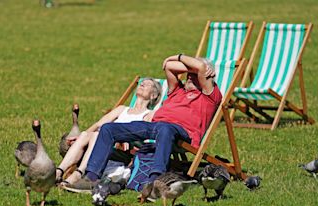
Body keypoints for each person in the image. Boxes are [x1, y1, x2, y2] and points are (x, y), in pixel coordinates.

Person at [66, 54, 222, 192]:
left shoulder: (209, 96)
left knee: (165, 128)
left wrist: (191, 63)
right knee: (108, 129)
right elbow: (169, 66)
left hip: (181, 133)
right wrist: (174, 58)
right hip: (154, 127)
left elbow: (200, 67)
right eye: (188, 73)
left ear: (205, 77)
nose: (189, 76)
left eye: (193, 75)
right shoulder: (177, 91)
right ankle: (91, 178)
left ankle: (155, 181)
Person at [56, 78, 162, 188]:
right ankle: (58, 172)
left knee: (97, 136)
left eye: (148, 84)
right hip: (107, 144)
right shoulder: (122, 109)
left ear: (153, 95)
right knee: (85, 135)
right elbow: (98, 125)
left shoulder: (149, 114)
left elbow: (143, 134)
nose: (143, 84)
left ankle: (79, 174)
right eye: (142, 82)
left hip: (124, 151)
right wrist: (80, 138)